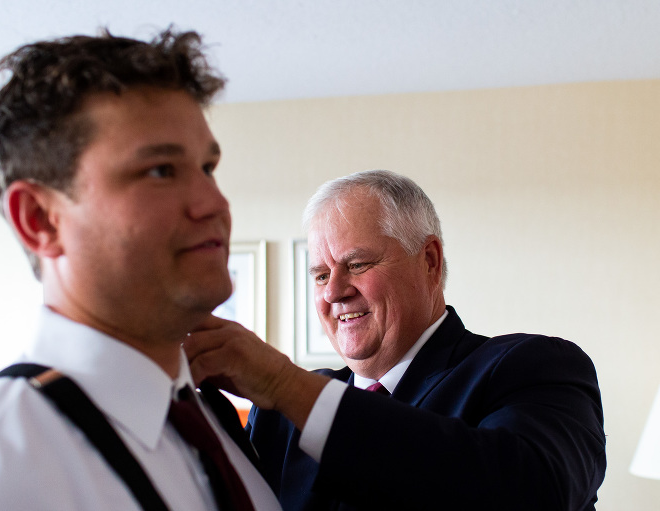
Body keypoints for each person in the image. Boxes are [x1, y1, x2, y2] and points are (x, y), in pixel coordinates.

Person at [0, 28, 281, 511]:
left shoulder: (218, 429)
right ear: (39, 221)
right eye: (160, 170)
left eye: (208, 167)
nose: (215, 204)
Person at [185, 170, 607, 511]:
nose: (333, 292)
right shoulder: (277, 416)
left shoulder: (531, 366)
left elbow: (534, 494)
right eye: (320, 274)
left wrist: (283, 383)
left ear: (429, 260)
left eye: (358, 264)